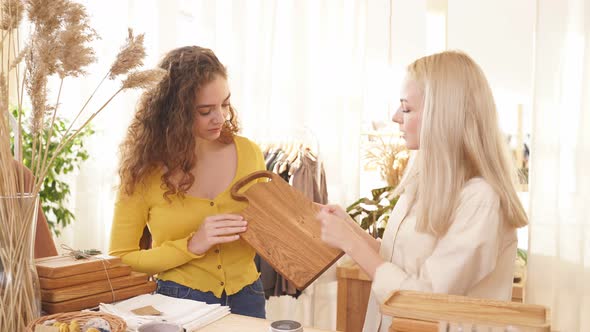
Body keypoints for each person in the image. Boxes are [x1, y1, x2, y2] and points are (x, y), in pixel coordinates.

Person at [316, 51, 528, 331]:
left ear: (442, 115)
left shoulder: (481, 200)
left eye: (406, 109)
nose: (394, 117)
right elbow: (401, 262)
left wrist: (351, 243)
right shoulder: (425, 180)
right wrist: (351, 231)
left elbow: (425, 300)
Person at [109, 46, 266, 318]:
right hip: (180, 302)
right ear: (175, 113)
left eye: (225, 104)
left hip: (249, 297)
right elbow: (121, 258)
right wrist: (193, 244)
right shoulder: (143, 171)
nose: (221, 117)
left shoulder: (250, 153)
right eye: (205, 111)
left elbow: (269, 228)